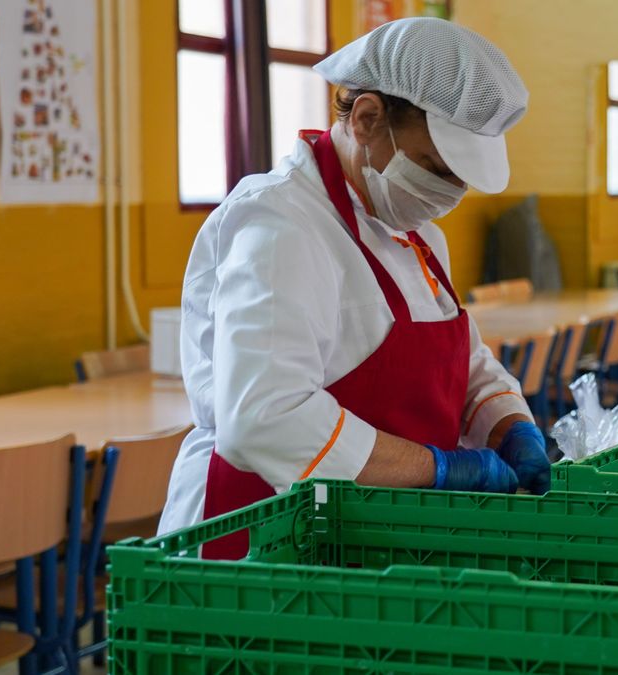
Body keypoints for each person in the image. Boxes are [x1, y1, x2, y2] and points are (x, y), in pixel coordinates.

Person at [159, 18, 550, 559]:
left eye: (461, 179)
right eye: (436, 168)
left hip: (365, 538)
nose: (449, 194)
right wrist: (437, 468)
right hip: (267, 543)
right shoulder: (280, 225)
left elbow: (466, 363)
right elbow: (262, 418)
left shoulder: (417, 235)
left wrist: (508, 425)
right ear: (367, 119)